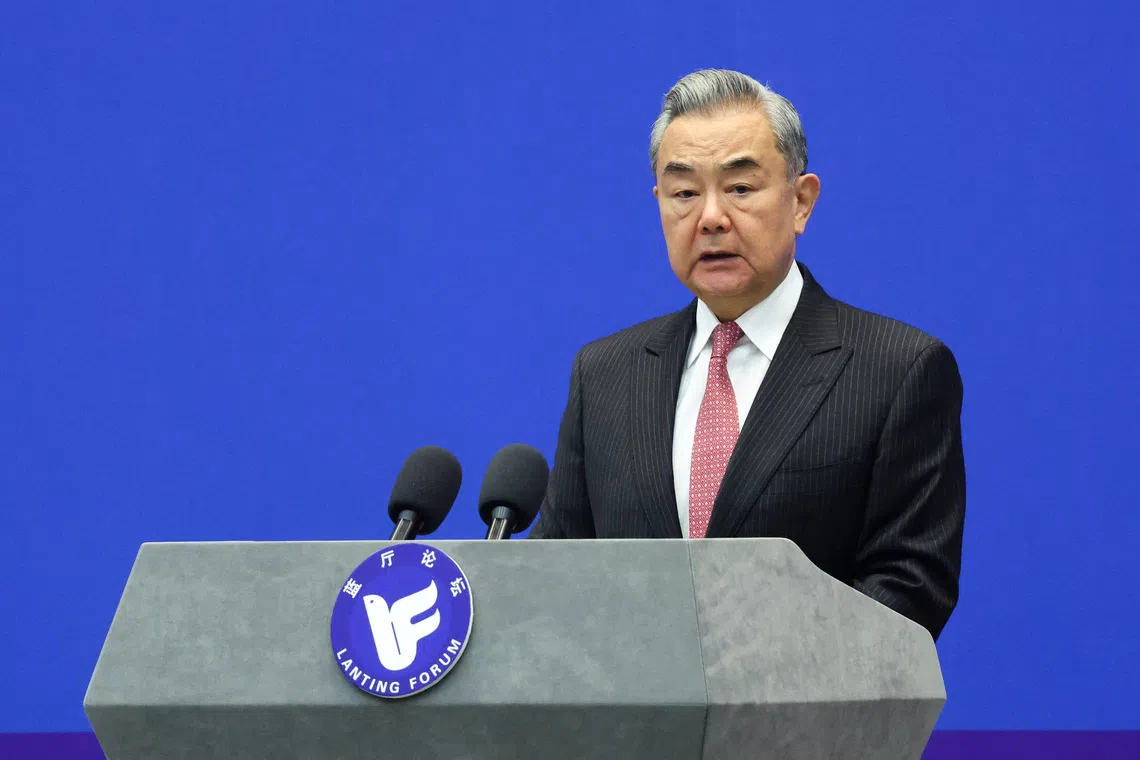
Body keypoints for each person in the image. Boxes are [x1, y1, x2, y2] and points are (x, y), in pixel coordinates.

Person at [528, 69, 966, 642]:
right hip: (633, 728)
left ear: (801, 201)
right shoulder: (606, 373)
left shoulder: (898, 370)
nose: (710, 217)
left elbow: (908, 590)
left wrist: (741, 677)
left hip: (808, 724)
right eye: (685, 192)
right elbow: (555, 574)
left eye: (739, 188)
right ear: (660, 204)